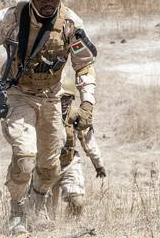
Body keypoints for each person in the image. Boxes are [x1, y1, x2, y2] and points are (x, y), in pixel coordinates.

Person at [0, 0, 98, 234]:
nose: (49, 5)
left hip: (51, 97)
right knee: (25, 156)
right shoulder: (10, 20)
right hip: (18, 95)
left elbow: (84, 65)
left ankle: (38, 204)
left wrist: (86, 103)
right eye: (43, 0)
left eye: (55, 0)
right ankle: (17, 212)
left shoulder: (71, 24)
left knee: (50, 168)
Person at [48, 77, 106, 219]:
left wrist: (98, 165)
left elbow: (88, 142)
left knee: (78, 202)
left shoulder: (76, 116)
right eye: (61, 98)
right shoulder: (44, 115)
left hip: (69, 162)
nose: (65, 102)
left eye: (68, 98)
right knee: (47, 211)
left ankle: (70, 226)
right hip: (47, 165)